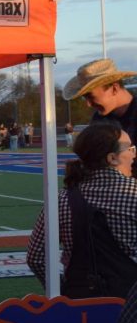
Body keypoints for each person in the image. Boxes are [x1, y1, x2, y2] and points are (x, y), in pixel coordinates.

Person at [26, 121, 137, 295]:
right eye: (130, 149)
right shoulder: (134, 193)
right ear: (112, 158)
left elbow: (36, 257)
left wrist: (61, 290)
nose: (133, 155)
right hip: (129, 302)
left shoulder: (61, 199)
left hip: (78, 303)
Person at [64, 58, 137, 144]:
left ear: (114, 88)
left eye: (91, 96)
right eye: (85, 98)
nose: (88, 104)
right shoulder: (99, 120)